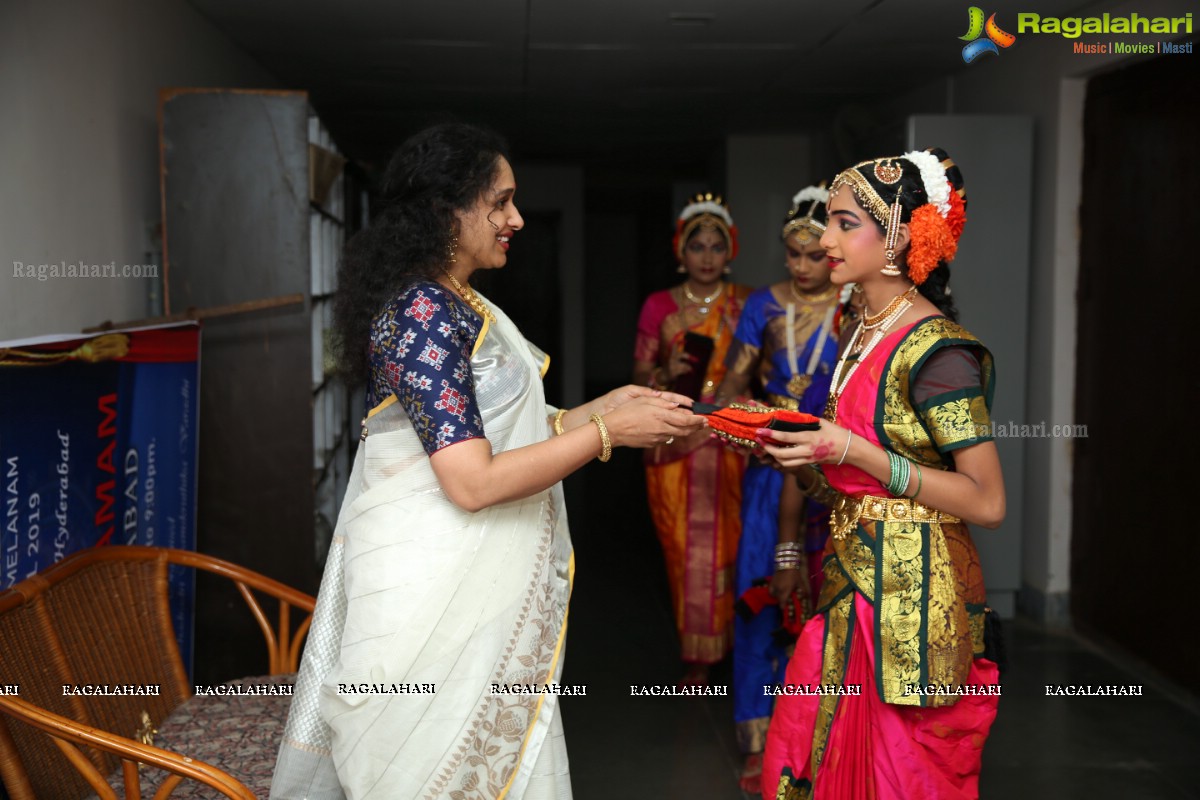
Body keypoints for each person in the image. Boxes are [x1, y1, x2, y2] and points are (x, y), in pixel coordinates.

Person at [270, 122, 705, 800]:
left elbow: (512, 434)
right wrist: (607, 435)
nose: (517, 219)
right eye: (500, 203)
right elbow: (471, 480)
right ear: (450, 210)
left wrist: (602, 408)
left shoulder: (462, 305)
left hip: (463, 598)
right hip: (421, 601)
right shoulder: (422, 311)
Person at [757, 149, 1005, 800]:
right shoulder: (860, 328)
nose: (825, 239)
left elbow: (986, 500)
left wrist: (853, 451)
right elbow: (849, 470)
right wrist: (795, 450)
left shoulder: (937, 353)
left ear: (898, 234)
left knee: (898, 773)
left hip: (913, 600)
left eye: (843, 224)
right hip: (852, 574)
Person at [711, 185, 844, 793]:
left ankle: (825, 740)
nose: (801, 266)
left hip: (840, 469)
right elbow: (735, 379)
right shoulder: (763, 305)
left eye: (813, 255)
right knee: (762, 596)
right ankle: (758, 740)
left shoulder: (855, 307)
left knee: (829, 604)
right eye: (792, 254)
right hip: (771, 466)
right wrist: (737, 419)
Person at [632, 194, 752, 686]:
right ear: (681, 251)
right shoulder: (660, 305)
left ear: (730, 251)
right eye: (697, 246)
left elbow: (761, 367)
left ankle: (731, 652)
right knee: (683, 550)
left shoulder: (747, 303)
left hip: (731, 436)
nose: (706, 256)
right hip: (674, 439)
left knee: (734, 546)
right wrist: (667, 368)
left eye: (715, 247)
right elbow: (638, 374)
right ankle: (695, 652)